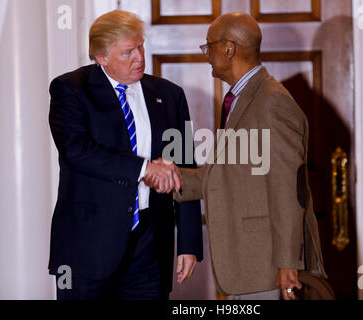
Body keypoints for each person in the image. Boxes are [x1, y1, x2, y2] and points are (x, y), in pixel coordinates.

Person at [152, 12, 327, 300]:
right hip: (249, 267)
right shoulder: (241, 98)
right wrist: (170, 176)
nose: (207, 54)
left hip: (268, 267)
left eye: (209, 46)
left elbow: (287, 188)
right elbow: (229, 173)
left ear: (229, 48)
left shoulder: (271, 101)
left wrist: (287, 264)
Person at [48, 9, 203, 300]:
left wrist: (189, 242)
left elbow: (184, 167)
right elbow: (76, 151)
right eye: (128, 52)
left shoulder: (170, 95)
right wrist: (145, 169)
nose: (140, 58)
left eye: (141, 47)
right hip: (87, 249)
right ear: (101, 57)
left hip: (150, 246)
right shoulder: (70, 89)